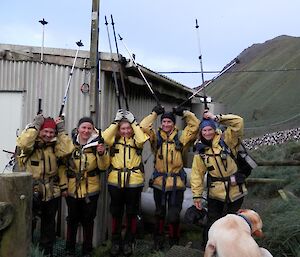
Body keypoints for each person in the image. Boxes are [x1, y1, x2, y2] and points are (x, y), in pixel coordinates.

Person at [140, 105, 200, 250]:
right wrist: (154, 113)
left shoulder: (182, 138)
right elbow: (143, 126)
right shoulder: (156, 138)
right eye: (164, 122)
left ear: (174, 124)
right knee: (159, 213)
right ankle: (158, 241)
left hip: (176, 183)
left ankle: (174, 241)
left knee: (173, 215)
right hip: (159, 182)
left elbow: (195, 125)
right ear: (161, 124)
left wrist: (185, 113)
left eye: (169, 122)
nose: (166, 125)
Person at [16, 114, 74, 257]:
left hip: (52, 191)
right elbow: (22, 144)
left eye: (51, 132)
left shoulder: (56, 147)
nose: (48, 135)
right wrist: (35, 126)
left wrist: (61, 131)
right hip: (31, 190)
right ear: (40, 131)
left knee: (49, 225)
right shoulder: (30, 146)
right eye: (45, 131)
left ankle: (46, 252)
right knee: (28, 223)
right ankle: (25, 251)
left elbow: (67, 150)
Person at [190, 110, 247, 249]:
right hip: (215, 193)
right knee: (212, 222)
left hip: (235, 190)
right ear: (201, 132)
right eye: (204, 130)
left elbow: (239, 122)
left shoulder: (228, 140)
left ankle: (232, 249)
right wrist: (197, 195)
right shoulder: (201, 152)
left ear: (214, 129)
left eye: (210, 129)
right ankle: (208, 248)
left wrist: (217, 118)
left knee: (233, 222)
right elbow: (197, 174)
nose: (207, 133)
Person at [60, 117, 110, 257]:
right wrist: (63, 187)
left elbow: (103, 166)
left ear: (93, 130)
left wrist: (101, 153)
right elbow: (63, 166)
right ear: (78, 129)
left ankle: (87, 250)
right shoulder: (70, 145)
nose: (86, 131)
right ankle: (69, 249)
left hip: (91, 190)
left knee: (88, 220)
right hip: (72, 190)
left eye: (89, 128)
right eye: (84, 128)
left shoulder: (97, 145)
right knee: (72, 219)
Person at [102, 109, 149, 257]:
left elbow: (142, 139)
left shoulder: (137, 141)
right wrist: (116, 122)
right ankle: (116, 242)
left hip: (134, 182)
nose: (126, 131)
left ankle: (129, 241)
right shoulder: (113, 141)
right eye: (123, 128)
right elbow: (104, 137)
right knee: (116, 212)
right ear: (118, 129)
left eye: (128, 128)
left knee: (131, 212)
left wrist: (134, 121)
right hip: (115, 181)